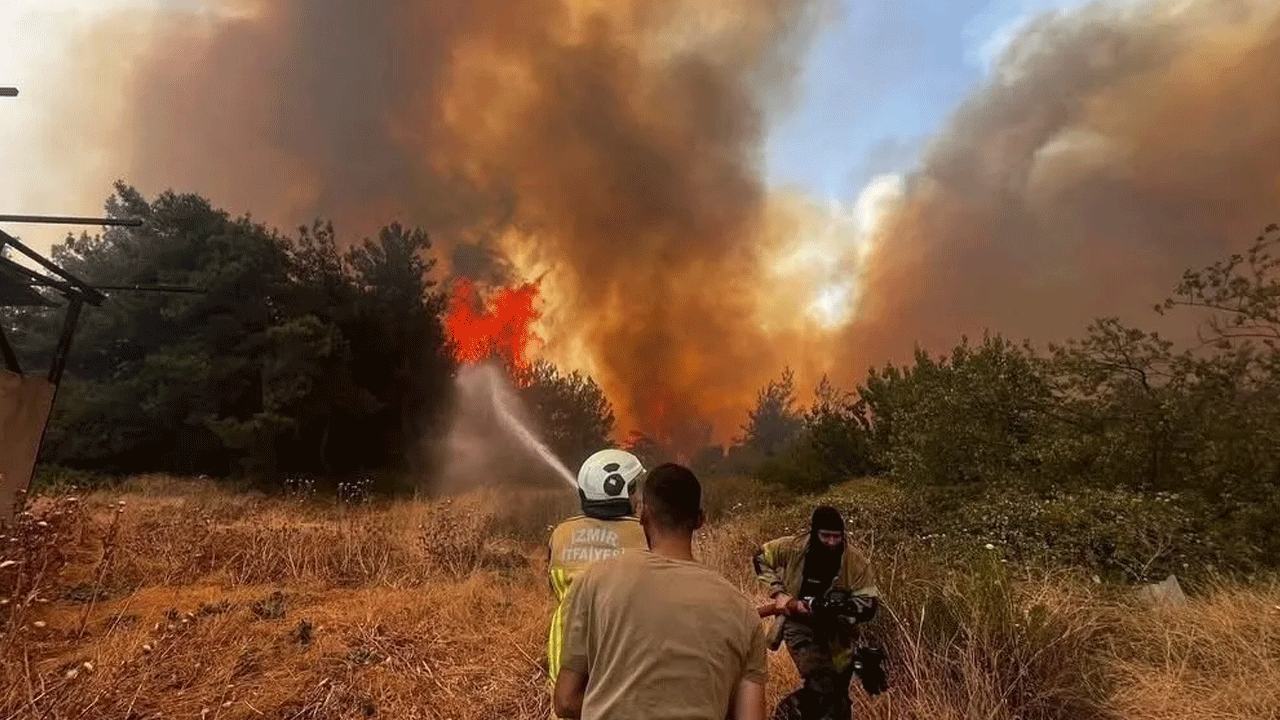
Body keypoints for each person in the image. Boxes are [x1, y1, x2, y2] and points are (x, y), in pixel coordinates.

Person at [552, 462, 768, 720]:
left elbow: (565, 701)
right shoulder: (742, 610)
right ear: (700, 520)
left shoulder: (595, 581)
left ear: (643, 514)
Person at [546, 448, 649, 715]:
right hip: (623, 662)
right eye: (635, 489)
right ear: (627, 493)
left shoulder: (561, 533)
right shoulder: (644, 535)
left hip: (565, 663)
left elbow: (553, 586)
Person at [753, 506, 881, 720]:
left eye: (836, 537)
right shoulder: (793, 547)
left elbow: (869, 604)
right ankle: (785, 715)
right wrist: (778, 593)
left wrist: (839, 609)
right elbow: (760, 557)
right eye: (826, 536)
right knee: (823, 681)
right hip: (798, 626)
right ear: (814, 534)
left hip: (838, 633)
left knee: (838, 693)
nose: (832, 542)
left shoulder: (855, 561)